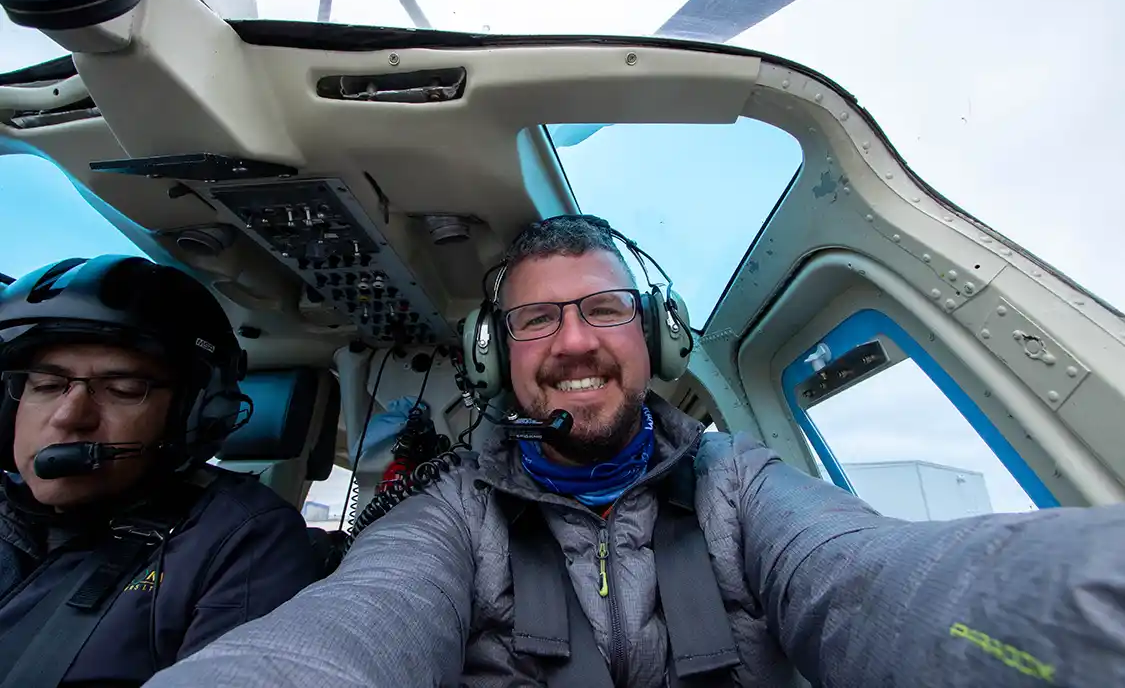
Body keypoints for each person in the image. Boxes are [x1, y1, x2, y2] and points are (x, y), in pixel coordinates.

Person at [144, 215, 1125, 687]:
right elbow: (342, 634)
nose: (574, 341)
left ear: (653, 336)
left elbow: (881, 579)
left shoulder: (743, 490)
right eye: (536, 321)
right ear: (497, 357)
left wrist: (1088, 615)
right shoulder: (448, 515)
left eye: (604, 309)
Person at [0, 255, 319, 687]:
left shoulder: (242, 538)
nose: (68, 417)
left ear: (193, 416)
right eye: (46, 385)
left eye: (123, 389)